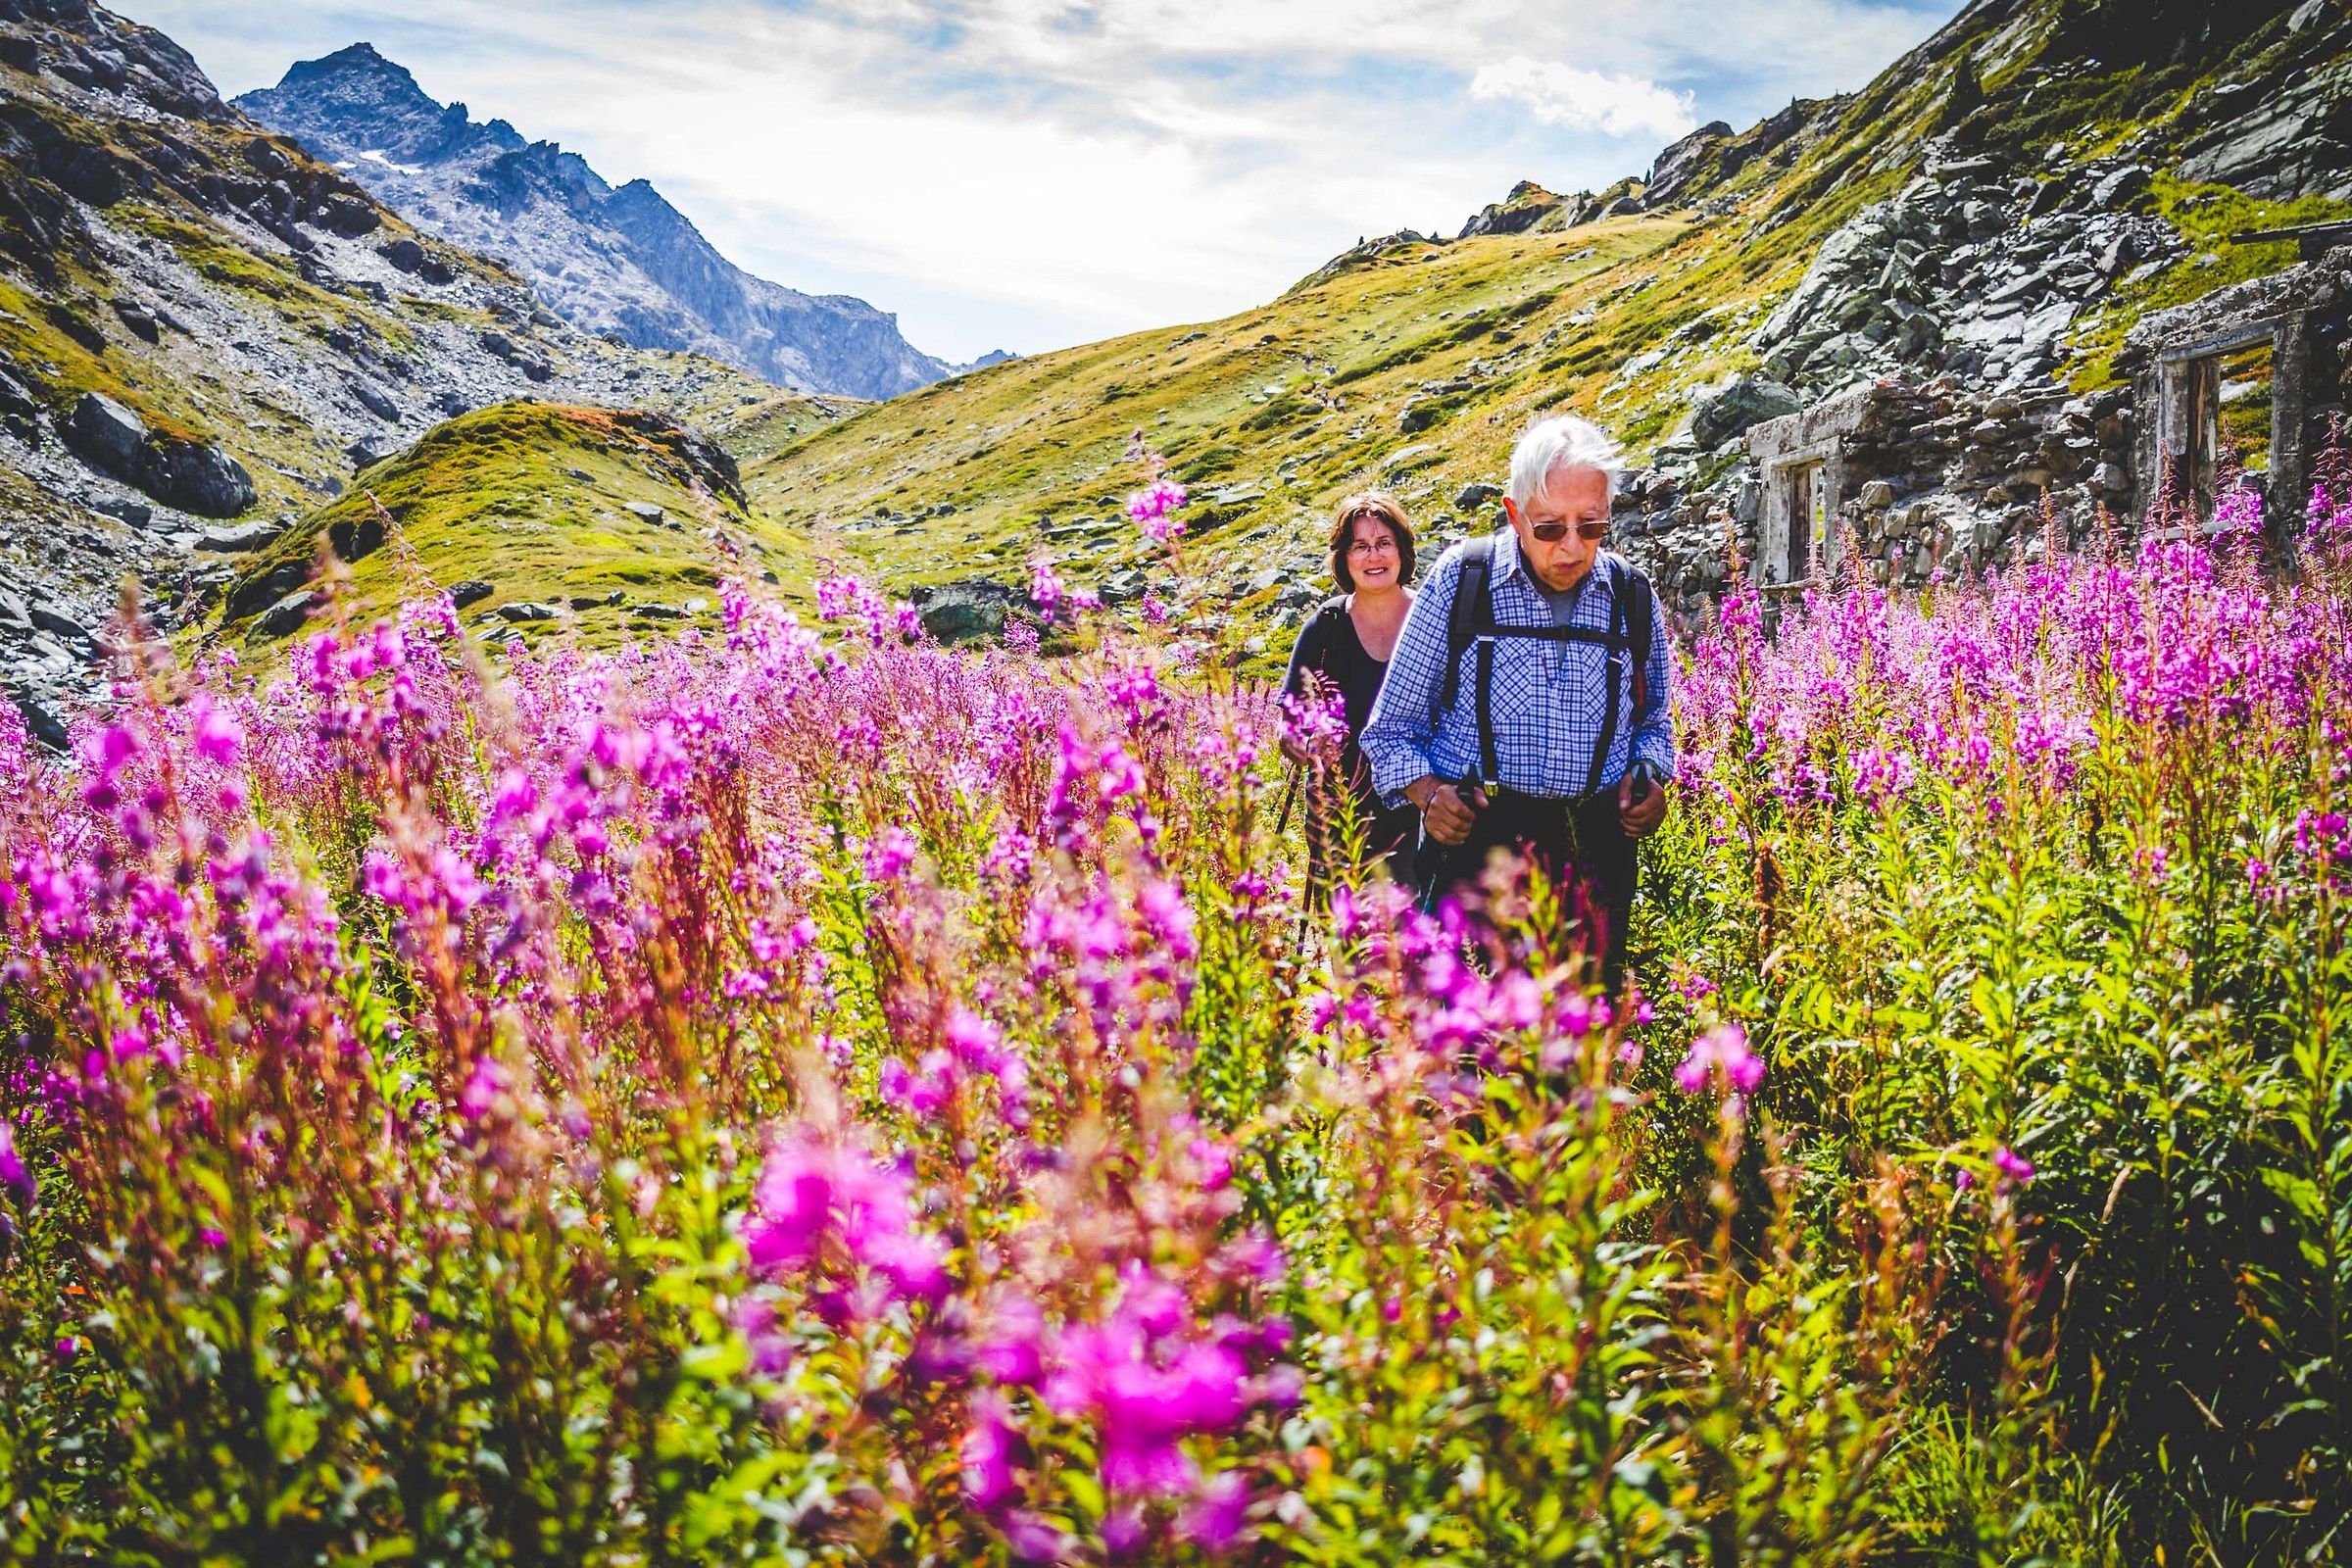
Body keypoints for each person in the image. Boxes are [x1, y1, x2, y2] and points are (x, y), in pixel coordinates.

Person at [1359, 415, 1674, 988]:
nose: (1573, 547)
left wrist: (1650, 777)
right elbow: (1389, 731)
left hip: (1594, 854)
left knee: (1579, 1049)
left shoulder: (1630, 595)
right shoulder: (1463, 582)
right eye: (1550, 527)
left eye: (1593, 524)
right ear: (1513, 513)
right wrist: (1430, 796)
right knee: (1475, 1055)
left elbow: (1653, 722)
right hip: (1479, 855)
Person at [1281, 492, 1421, 890]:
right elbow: (1287, 728)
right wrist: (1309, 746)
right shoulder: (1325, 626)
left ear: (1402, 551)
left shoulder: (1430, 617)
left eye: (1383, 544)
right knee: (1349, 939)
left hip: (1420, 810)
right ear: (1343, 557)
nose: (1373, 556)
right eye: (1360, 546)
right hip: (1341, 812)